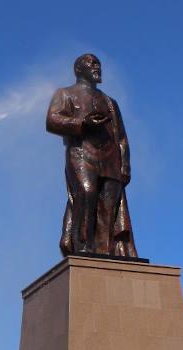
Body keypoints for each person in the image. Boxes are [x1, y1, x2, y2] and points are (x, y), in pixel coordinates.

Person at [46, 53, 137, 258]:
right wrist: (81, 123)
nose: (97, 67)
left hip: (111, 159)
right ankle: (83, 249)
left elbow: (121, 137)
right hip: (81, 155)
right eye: (92, 64)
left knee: (108, 206)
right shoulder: (65, 94)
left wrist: (125, 165)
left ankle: (104, 251)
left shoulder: (110, 102)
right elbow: (52, 121)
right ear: (79, 69)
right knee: (86, 194)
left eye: (98, 64)